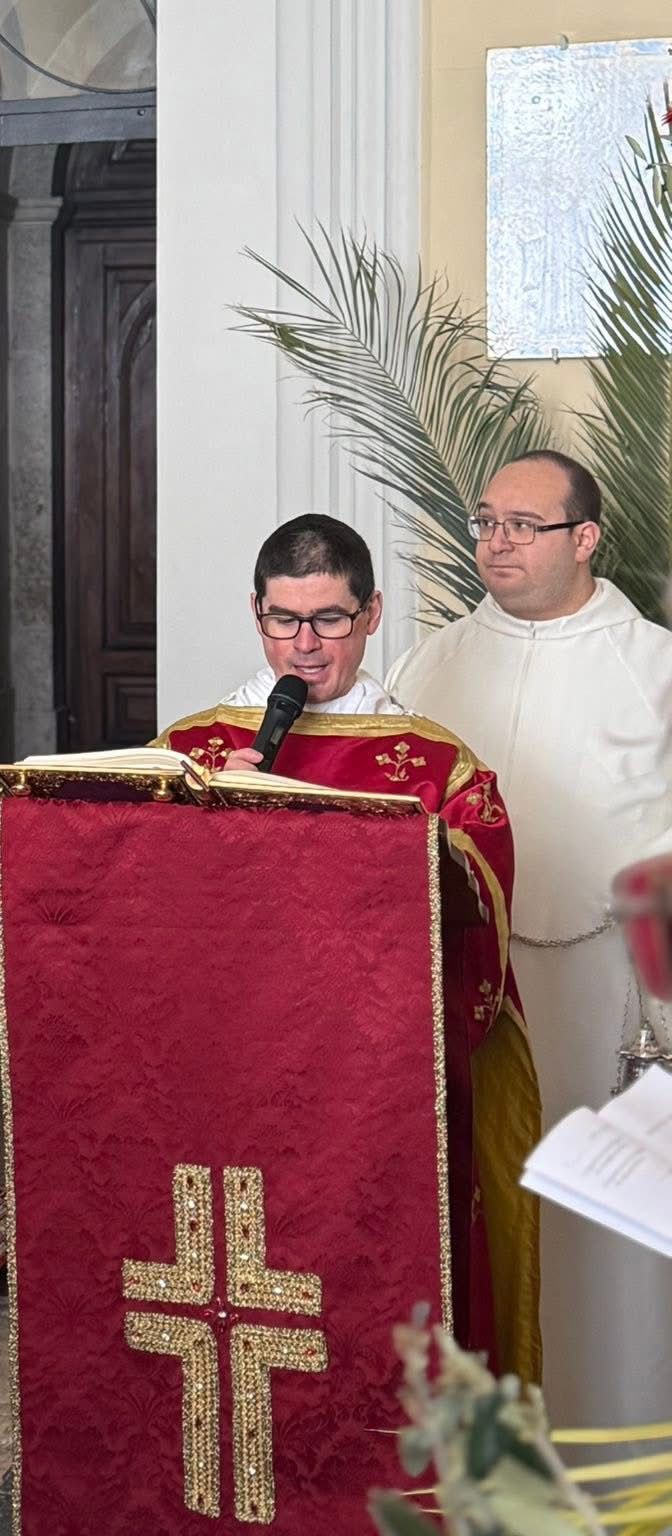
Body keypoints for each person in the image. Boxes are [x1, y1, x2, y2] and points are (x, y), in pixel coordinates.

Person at [159, 512, 541, 1381]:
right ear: (255, 612)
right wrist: (197, 823)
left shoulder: (434, 766)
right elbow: (137, 916)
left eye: (329, 619)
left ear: (371, 614)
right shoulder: (188, 753)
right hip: (225, 1081)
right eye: (282, 619)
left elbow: (479, 911)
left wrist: (390, 849)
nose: (304, 645)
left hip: (367, 1089)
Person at [386, 450, 672, 1424]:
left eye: (522, 524)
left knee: (606, 1237)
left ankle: (621, 1440)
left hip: (611, 1001)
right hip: (468, 998)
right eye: (486, 521)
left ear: (585, 538)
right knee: (484, 1219)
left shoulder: (654, 669)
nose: (494, 542)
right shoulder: (431, 665)